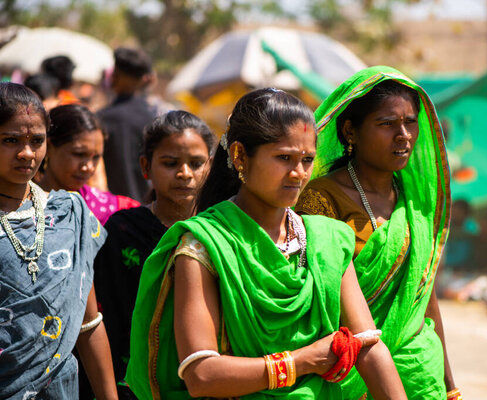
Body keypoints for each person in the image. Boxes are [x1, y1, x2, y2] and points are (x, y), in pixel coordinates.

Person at [126, 88, 406, 399]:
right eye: (284, 158)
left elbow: (368, 346)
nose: (299, 173)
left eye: (307, 160)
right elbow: (201, 374)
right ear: (240, 156)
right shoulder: (203, 245)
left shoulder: (327, 240)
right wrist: (301, 361)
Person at [295, 66, 459, 400]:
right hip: (355, 373)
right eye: (387, 124)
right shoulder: (320, 200)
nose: (404, 135)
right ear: (350, 131)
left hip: (421, 374)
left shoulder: (415, 201)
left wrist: (450, 385)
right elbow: (318, 304)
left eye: (410, 122)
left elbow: (423, 294)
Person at [0, 82, 117, 399]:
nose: (27, 153)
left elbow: (88, 325)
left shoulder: (68, 214)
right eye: (11, 141)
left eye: (36, 141)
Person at [94, 110, 215, 399]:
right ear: (146, 166)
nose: (185, 173)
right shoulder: (123, 229)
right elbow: (109, 311)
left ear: (209, 167)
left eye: (196, 163)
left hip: (206, 376)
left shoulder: (219, 230)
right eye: (171, 163)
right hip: (133, 379)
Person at [37, 104, 139, 225]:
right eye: (79, 154)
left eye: (96, 157)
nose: (89, 167)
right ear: (48, 147)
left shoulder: (116, 212)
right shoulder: (20, 205)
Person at [98, 47, 157, 202]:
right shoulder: (154, 119)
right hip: (147, 208)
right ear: (145, 79)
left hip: (109, 210)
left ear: (115, 77)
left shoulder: (101, 118)